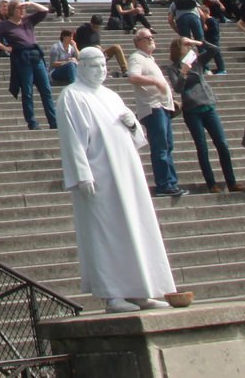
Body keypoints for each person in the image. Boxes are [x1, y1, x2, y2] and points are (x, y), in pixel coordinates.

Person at [57, 47, 176, 311]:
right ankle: (113, 294)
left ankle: (140, 289)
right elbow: (72, 139)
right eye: (94, 66)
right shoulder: (72, 95)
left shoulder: (111, 96)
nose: (100, 70)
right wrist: (81, 174)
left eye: (103, 65)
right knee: (105, 231)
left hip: (126, 171)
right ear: (81, 67)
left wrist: (133, 125)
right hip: (100, 174)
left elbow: (136, 139)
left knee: (135, 228)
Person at [169, 35, 241, 193]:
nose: (188, 46)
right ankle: (211, 184)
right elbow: (178, 88)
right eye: (185, 44)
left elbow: (214, 50)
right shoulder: (173, 68)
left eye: (188, 44)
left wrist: (197, 42)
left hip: (207, 106)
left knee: (222, 144)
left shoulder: (197, 61)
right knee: (202, 147)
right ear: (177, 48)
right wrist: (183, 73)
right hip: (192, 110)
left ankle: (231, 182)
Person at [126, 27, 185, 199]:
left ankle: (171, 183)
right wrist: (155, 81)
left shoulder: (149, 59)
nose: (151, 39)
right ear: (138, 42)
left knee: (167, 146)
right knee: (160, 147)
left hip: (163, 107)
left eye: (152, 37)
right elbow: (133, 77)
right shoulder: (136, 57)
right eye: (147, 38)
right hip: (153, 107)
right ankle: (164, 184)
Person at [0, 0, 59, 131]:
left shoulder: (27, 21)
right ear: (12, 10)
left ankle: (53, 121)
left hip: (36, 56)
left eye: (23, 8)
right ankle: (32, 122)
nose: (22, 10)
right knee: (27, 91)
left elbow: (44, 11)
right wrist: (5, 48)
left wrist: (30, 3)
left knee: (46, 89)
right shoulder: (5, 25)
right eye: (19, 8)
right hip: (22, 58)